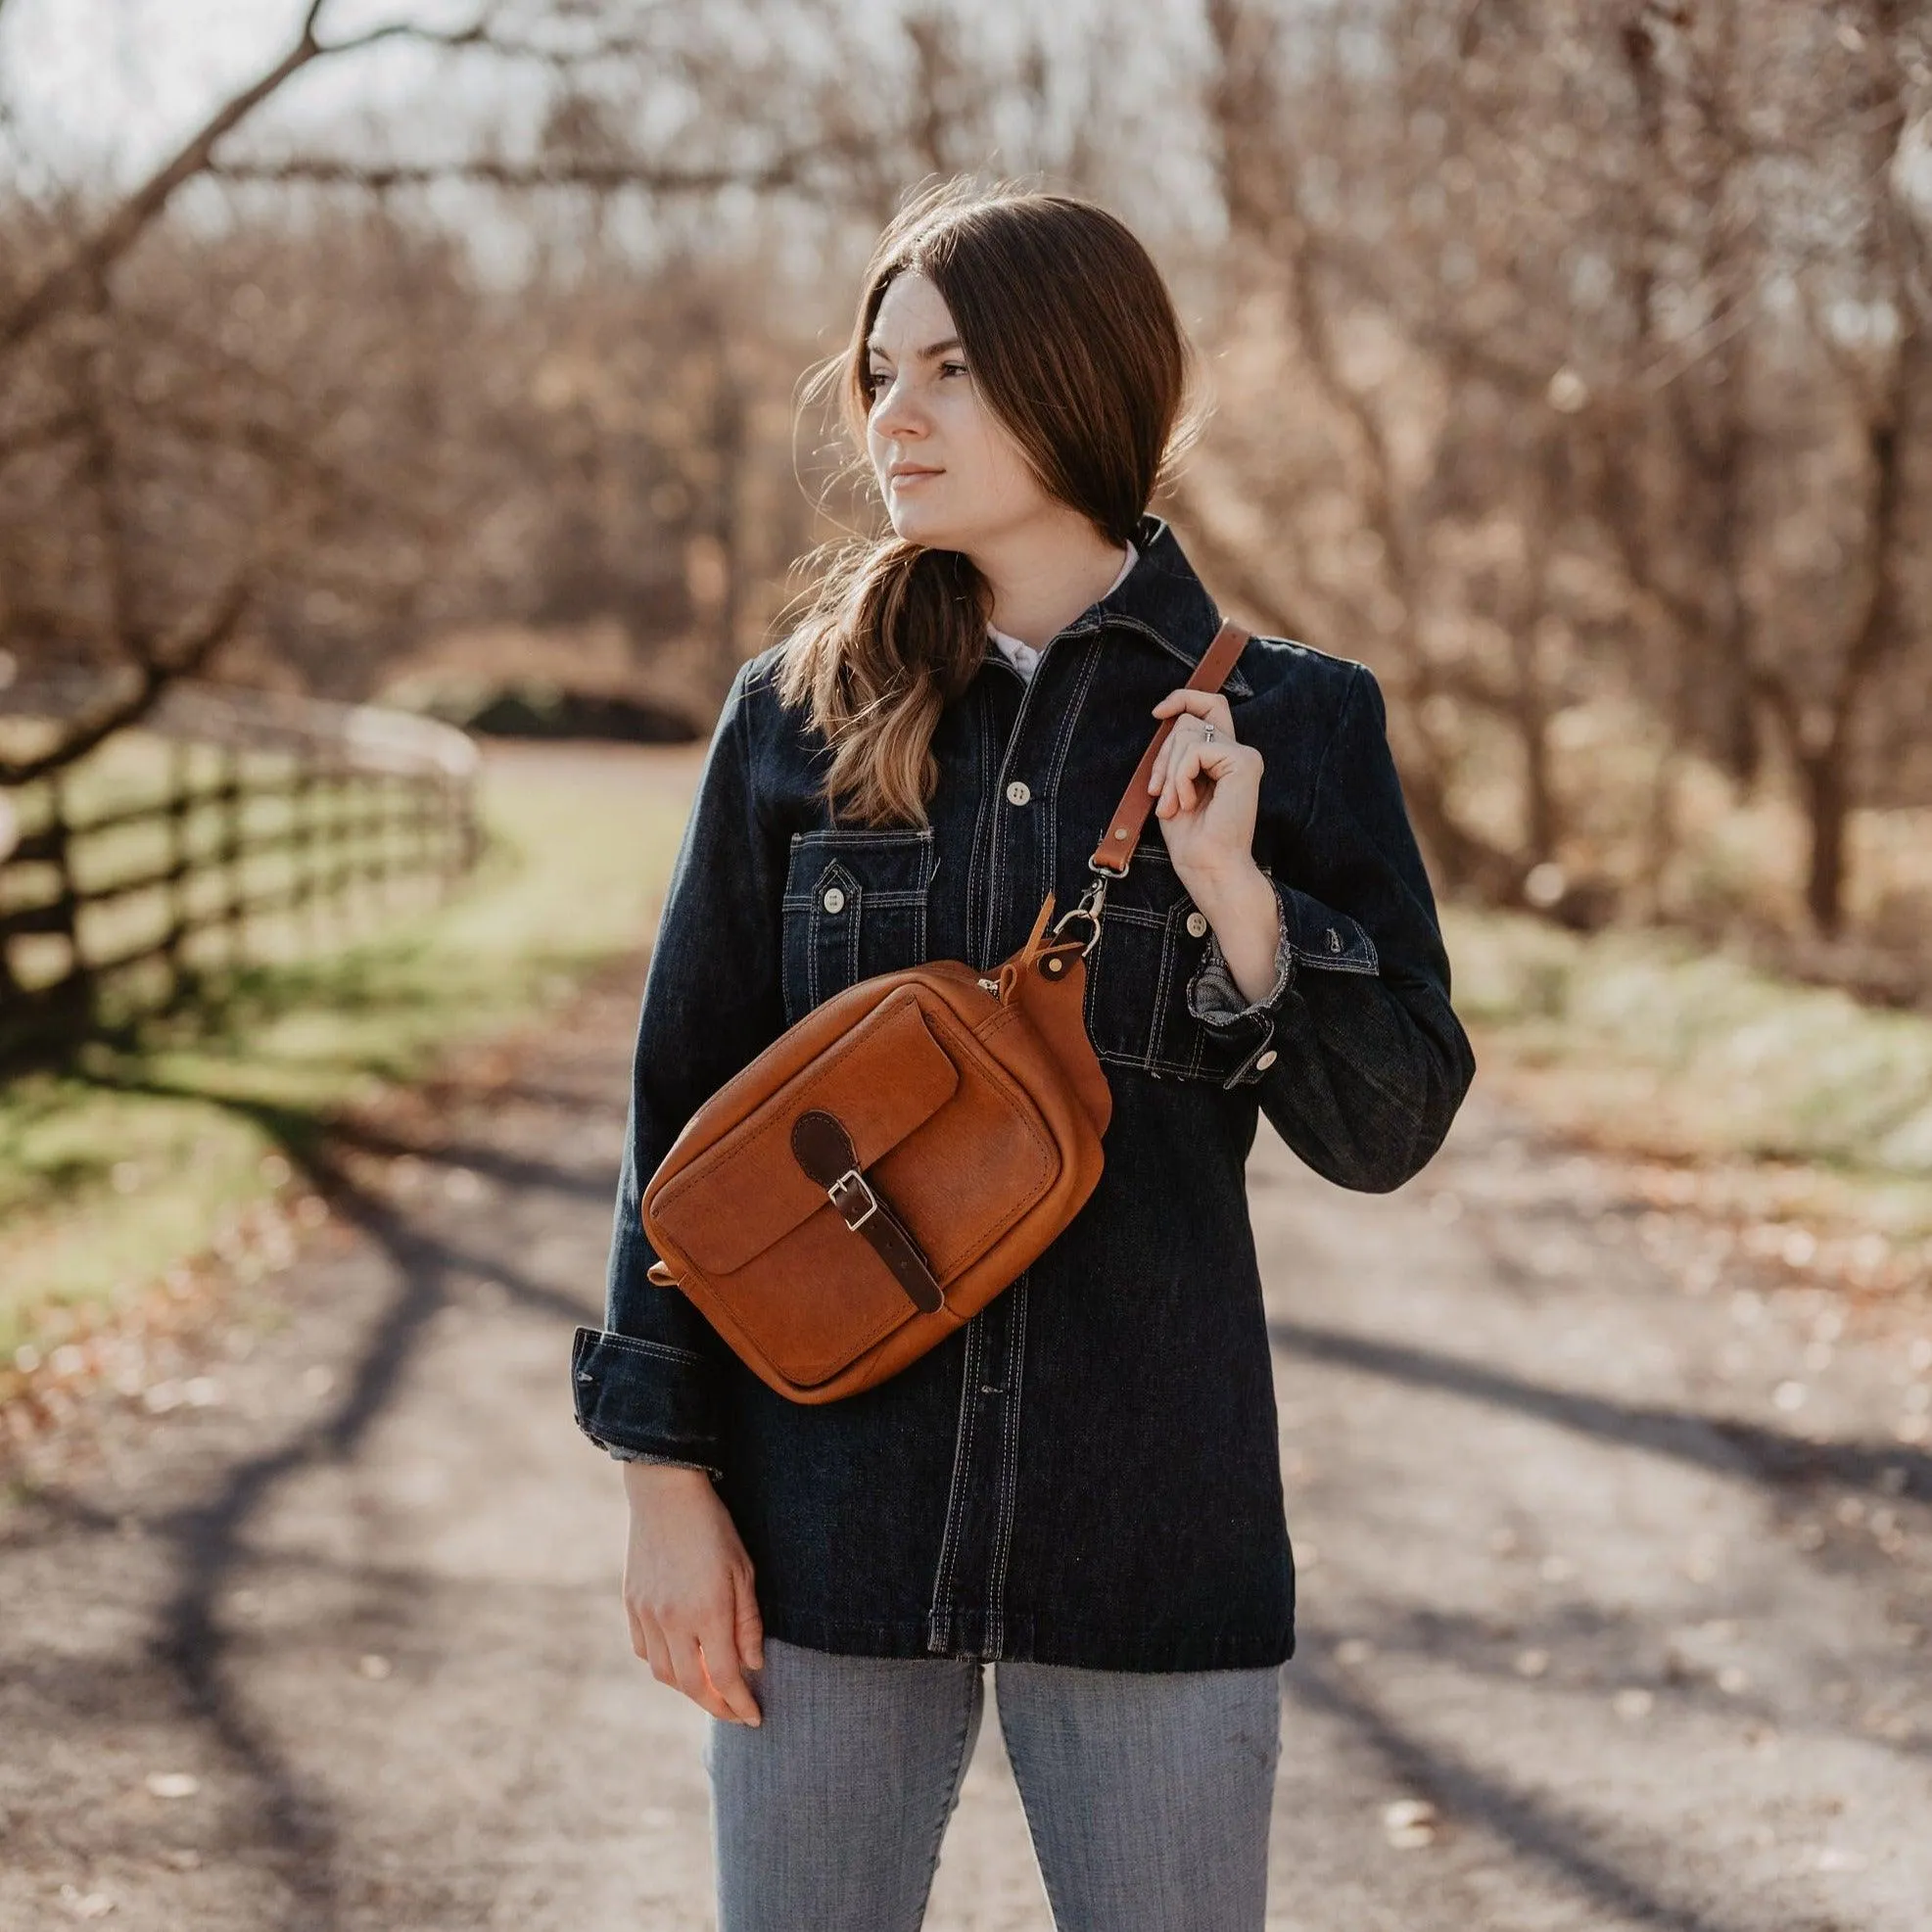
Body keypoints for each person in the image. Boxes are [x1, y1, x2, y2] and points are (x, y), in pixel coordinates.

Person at [570, 178, 1476, 1931]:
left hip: (1157, 1547)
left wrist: (1242, 901)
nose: (891, 415)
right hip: (821, 1532)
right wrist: (664, 1485)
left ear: (1077, 380)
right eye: (879, 371)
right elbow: (679, 1117)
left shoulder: (1296, 720)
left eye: (951, 371)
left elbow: (1386, 1125)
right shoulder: (795, 716)